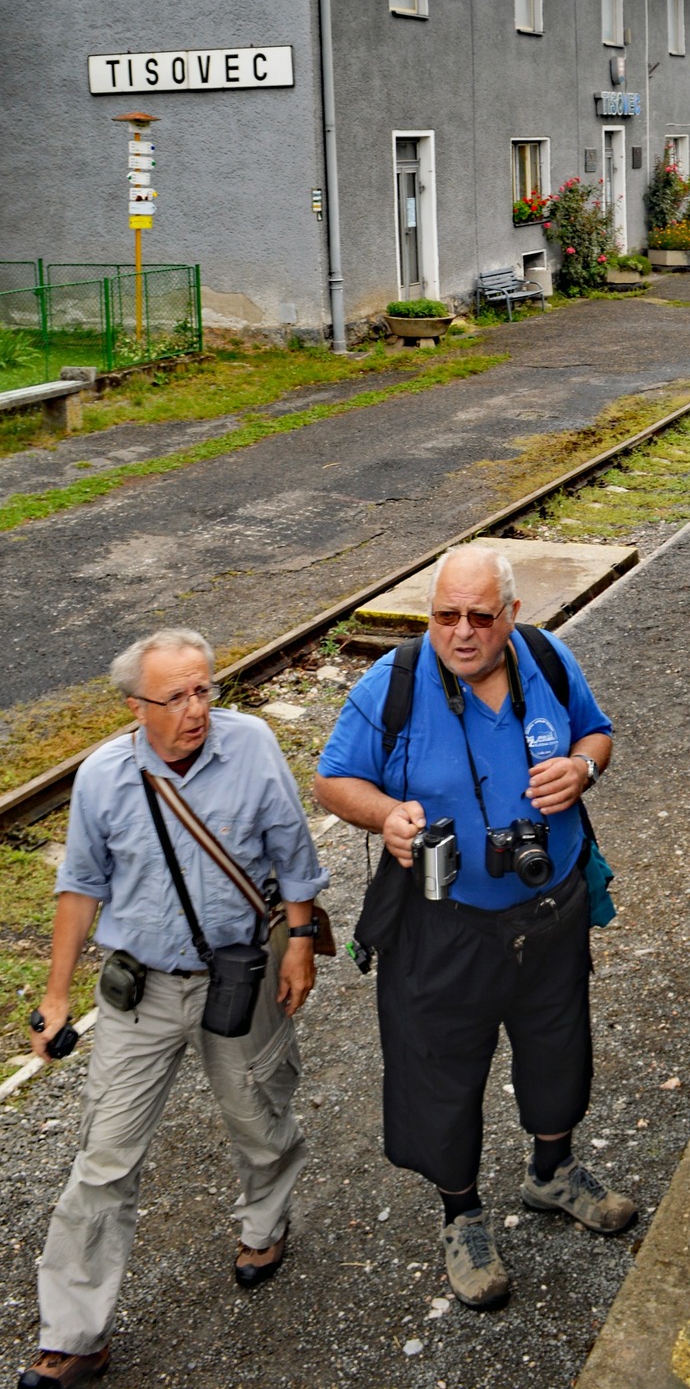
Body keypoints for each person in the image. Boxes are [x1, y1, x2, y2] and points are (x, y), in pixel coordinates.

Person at [314, 542, 634, 1311]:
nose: (460, 632)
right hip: (443, 928)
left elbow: (599, 733)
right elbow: (331, 779)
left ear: (512, 615)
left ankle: (551, 1173)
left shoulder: (548, 659)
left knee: (559, 1047)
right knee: (441, 1071)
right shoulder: (391, 686)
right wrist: (386, 814)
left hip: (551, 912)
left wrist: (584, 769)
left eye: (480, 617)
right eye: (444, 615)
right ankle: (461, 1215)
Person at [19, 629, 328, 1389]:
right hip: (140, 990)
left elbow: (293, 853)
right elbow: (80, 888)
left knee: (258, 1112)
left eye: (204, 690)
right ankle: (75, 1333)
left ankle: (265, 1222)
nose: (196, 709)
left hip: (240, 973)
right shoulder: (102, 777)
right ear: (136, 706)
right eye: (177, 696)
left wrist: (297, 942)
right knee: (104, 1158)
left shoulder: (252, 746)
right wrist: (57, 1000)